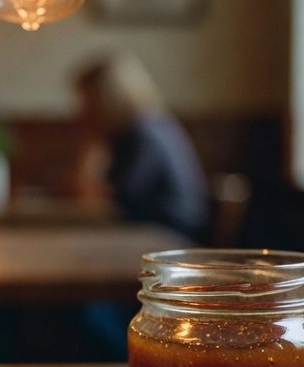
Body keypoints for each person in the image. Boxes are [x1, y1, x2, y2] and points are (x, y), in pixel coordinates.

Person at [72, 53, 211, 240]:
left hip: (173, 235)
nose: (82, 112)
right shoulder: (147, 124)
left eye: (88, 102)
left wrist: (92, 145)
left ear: (106, 100)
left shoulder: (142, 134)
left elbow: (115, 200)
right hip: (159, 230)